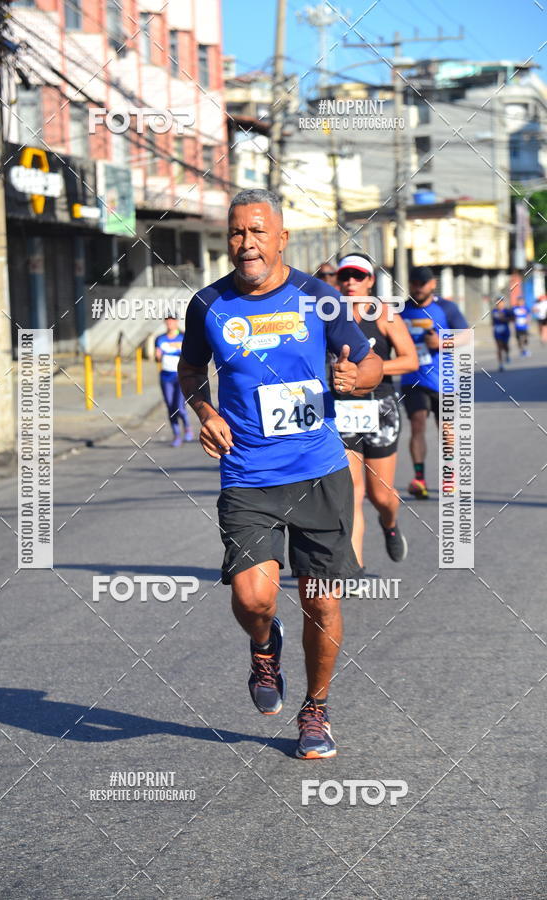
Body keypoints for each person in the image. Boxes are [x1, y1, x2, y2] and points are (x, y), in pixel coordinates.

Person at [178, 189, 382, 759]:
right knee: (253, 596)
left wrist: (359, 379)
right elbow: (190, 369)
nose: (247, 244)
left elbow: (367, 360)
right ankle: (264, 645)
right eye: (237, 233)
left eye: (258, 232)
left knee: (320, 600)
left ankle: (315, 709)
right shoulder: (209, 304)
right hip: (247, 472)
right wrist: (206, 410)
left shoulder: (318, 297)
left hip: (318, 470)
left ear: (282, 238)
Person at [332, 253, 418, 566]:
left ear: (370, 280)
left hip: (380, 406)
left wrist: (370, 369)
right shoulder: (328, 315)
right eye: (345, 277)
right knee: (350, 493)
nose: (351, 283)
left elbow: (411, 360)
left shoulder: (384, 314)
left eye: (358, 276)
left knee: (380, 495)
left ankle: (390, 523)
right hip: (341, 407)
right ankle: (354, 565)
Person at [401, 266, 469, 499]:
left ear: (431, 284)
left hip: (445, 380)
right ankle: (419, 478)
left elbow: (466, 335)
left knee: (446, 429)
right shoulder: (401, 309)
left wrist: (442, 342)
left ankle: (450, 476)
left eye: (422, 283)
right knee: (417, 424)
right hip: (413, 379)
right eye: (414, 283)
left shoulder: (446, 308)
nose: (417, 287)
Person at [154, 315, 193, 447]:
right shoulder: (160, 338)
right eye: (167, 320)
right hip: (166, 376)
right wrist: (157, 356)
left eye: (172, 320)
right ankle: (176, 435)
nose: (169, 322)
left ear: (176, 321)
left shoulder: (184, 337)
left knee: (180, 408)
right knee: (170, 407)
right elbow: (157, 358)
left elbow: (191, 356)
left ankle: (187, 427)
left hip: (181, 376)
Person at [491, 297, 511, 371]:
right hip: (497, 331)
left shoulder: (507, 311)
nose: (499, 304)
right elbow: (492, 321)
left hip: (505, 331)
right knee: (499, 347)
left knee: (505, 346)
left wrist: (504, 319)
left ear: (503, 303)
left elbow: (512, 319)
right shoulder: (494, 311)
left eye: (501, 302)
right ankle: (501, 364)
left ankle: (507, 354)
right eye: (498, 303)